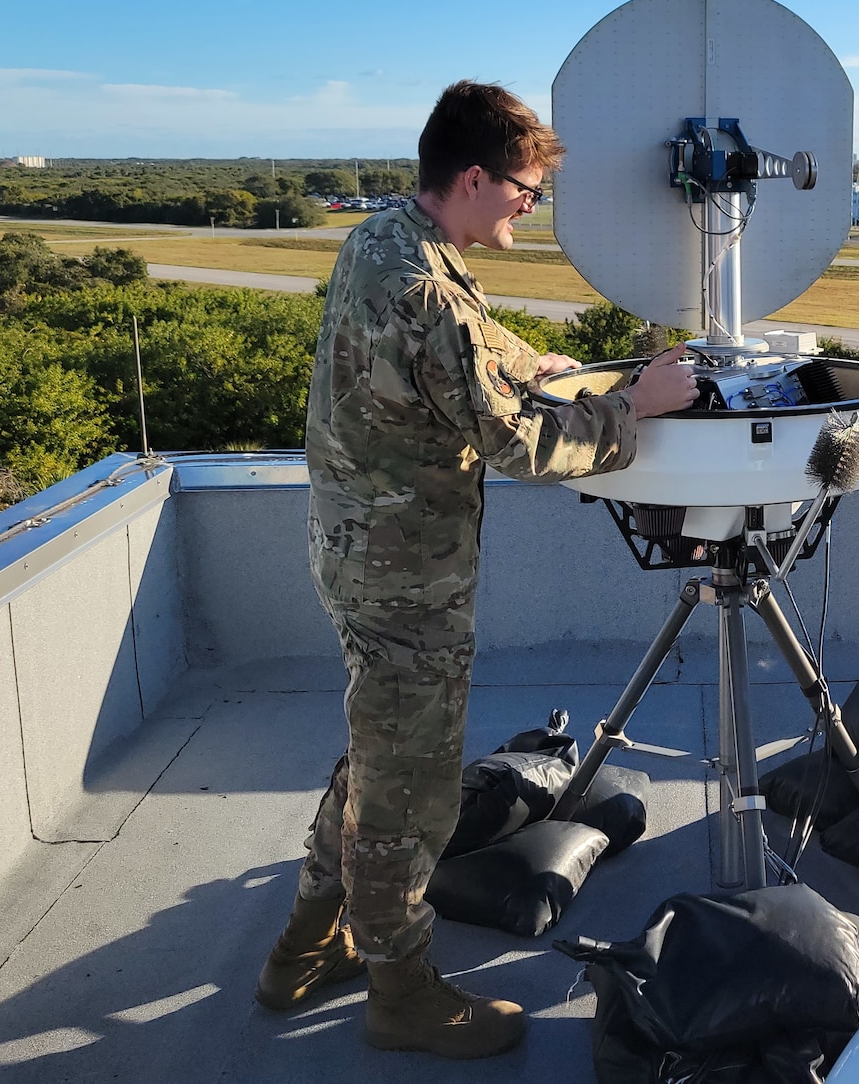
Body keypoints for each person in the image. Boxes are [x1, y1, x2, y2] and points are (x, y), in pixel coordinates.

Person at [254, 81, 698, 1058]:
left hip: (359, 551)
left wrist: (521, 356)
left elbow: (460, 347)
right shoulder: (429, 290)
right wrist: (639, 410)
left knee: (378, 757)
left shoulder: (386, 241)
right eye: (524, 193)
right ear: (472, 179)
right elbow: (514, 444)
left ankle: (301, 949)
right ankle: (402, 993)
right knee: (406, 789)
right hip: (405, 575)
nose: (527, 209)